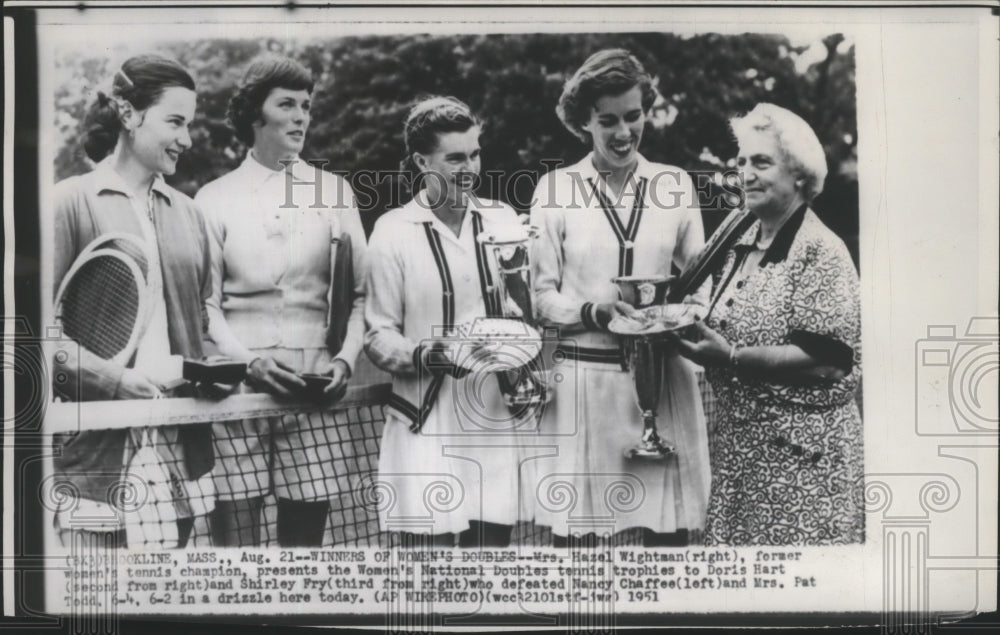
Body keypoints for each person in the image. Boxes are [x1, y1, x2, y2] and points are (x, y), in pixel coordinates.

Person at [529, 49, 711, 547]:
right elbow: (539, 297)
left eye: (633, 116)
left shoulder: (674, 184)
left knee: (668, 539)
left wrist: (681, 317)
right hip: (585, 383)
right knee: (580, 543)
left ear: (646, 111)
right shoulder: (554, 189)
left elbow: (702, 283)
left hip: (662, 380)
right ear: (584, 121)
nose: (623, 133)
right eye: (607, 121)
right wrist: (593, 312)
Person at [671, 103, 863, 546]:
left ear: (799, 173)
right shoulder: (741, 239)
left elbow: (830, 362)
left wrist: (731, 357)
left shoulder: (820, 250)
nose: (745, 173)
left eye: (761, 161)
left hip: (805, 466)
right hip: (742, 457)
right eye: (740, 162)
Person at [194, 55, 367, 547]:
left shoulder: (336, 192)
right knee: (236, 546)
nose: (300, 116)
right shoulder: (214, 197)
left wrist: (345, 362)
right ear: (255, 115)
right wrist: (248, 363)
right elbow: (205, 305)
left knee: (303, 549)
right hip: (239, 387)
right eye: (286, 104)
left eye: (306, 106)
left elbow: (360, 295)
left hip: (315, 387)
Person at [51, 54, 214, 549]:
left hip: (178, 444)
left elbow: (206, 318)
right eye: (174, 121)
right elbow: (31, 335)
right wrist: (117, 381)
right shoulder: (69, 202)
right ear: (127, 114)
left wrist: (244, 365)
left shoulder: (189, 213)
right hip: (98, 451)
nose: (186, 139)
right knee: (99, 616)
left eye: (190, 124)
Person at [364, 96, 531, 548]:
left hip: (492, 419)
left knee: (486, 572)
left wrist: (530, 372)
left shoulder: (503, 219)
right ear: (421, 161)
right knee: (428, 580)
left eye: (475, 154)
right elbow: (378, 334)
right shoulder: (393, 230)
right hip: (425, 421)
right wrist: (430, 353)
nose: (470, 168)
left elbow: (523, 313)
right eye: (454, 157)